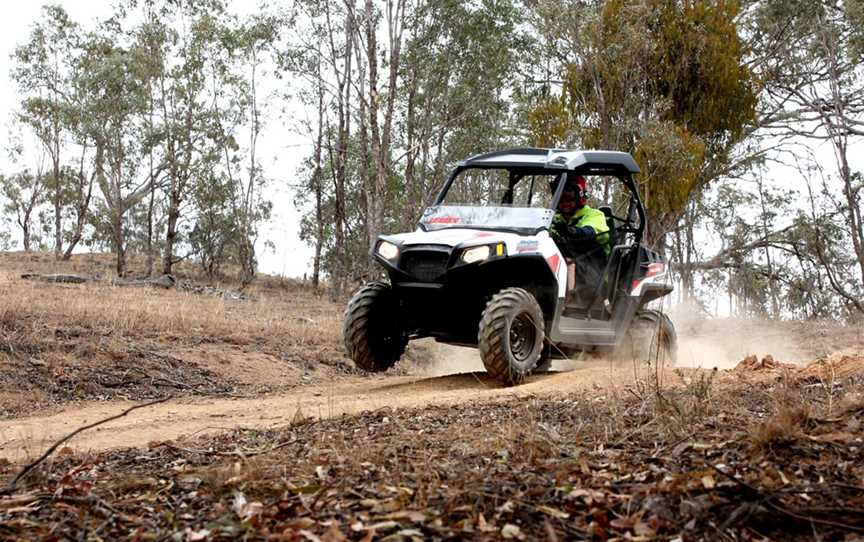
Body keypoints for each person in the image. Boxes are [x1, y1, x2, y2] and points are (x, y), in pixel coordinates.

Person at [549, 175, 610, 305]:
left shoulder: (594, 215)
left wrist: (571, 231)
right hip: (566, 270)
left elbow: (592, 232)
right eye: (560, 196)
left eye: (568, 196)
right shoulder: (553, 219)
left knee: (566, 257)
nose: (564, 202)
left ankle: (566, 302)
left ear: (580, 196)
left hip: (593, 272)